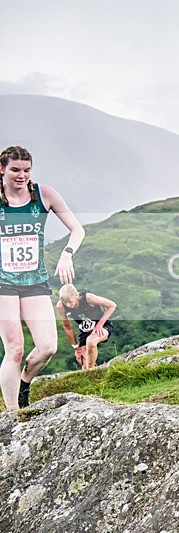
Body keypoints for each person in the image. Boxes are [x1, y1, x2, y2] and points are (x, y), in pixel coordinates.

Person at [0, 146, 85, 410]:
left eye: (26, 170)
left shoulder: (43, 195)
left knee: (48, 347)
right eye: (15, 170)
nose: (21, 175)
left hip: (35, 282)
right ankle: (13, 416)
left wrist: (67, 254)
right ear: (2, 169)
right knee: (14, 349)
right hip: (3, 283)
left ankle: (25, 382)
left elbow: (77, 229)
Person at [57, 284, 115, 370]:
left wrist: (99, 325)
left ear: (76, 295)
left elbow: (112, 306)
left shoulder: (88, 298)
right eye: (65, 303)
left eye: (70, 301)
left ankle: (91, 373)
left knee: (91, 341)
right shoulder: (61, 306)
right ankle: (90, 375)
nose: (68, 305)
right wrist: (76, 348)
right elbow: (67, 327)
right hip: (85, 330)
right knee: (84, 365)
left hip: (102, 325)